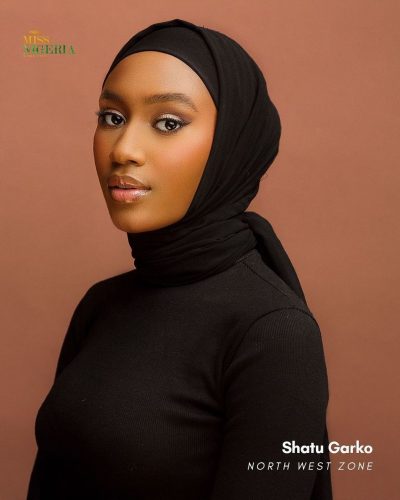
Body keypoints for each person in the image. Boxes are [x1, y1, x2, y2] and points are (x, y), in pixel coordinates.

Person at [26, 18, 333, 500]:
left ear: (232, 144)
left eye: (168, 123)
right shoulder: (100, 306)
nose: (124, 150)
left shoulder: (275, 332)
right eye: (112, 117)